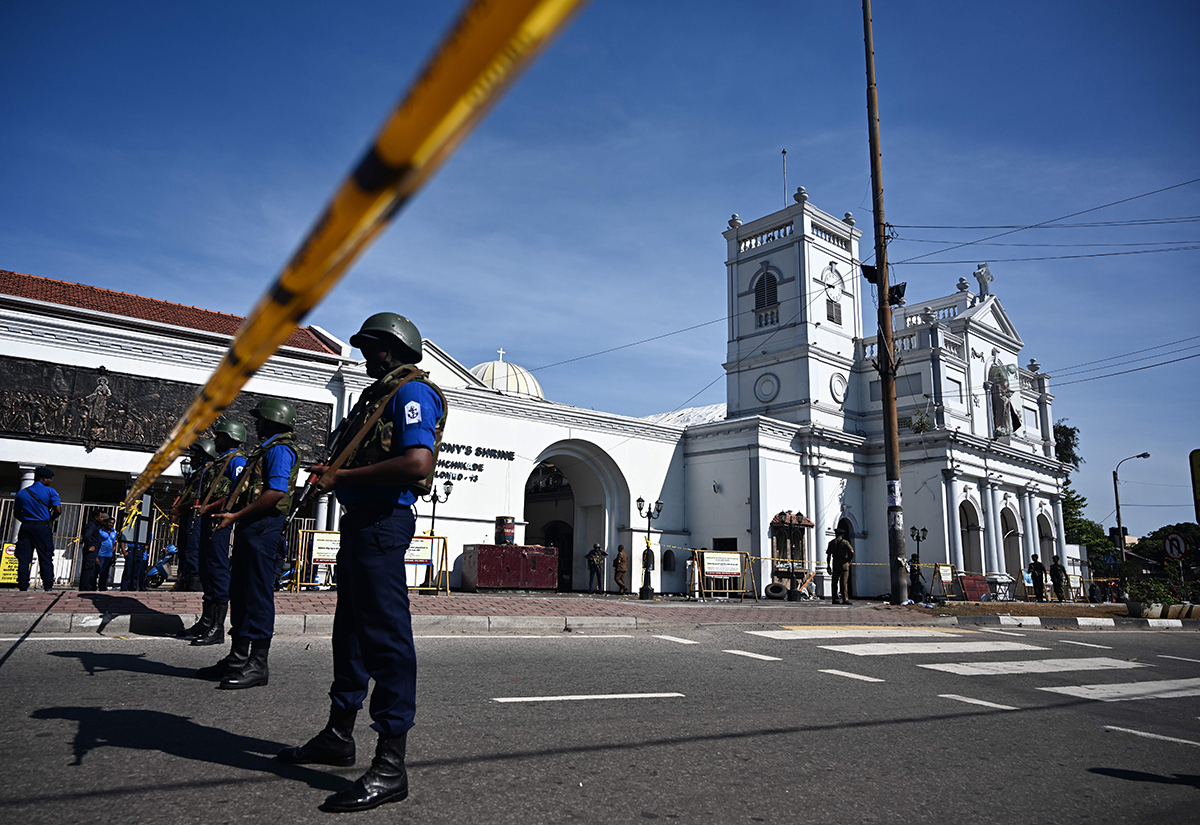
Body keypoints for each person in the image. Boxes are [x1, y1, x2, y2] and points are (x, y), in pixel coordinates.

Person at [277, 312, 446, 814]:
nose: (365, 357)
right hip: (362, 523)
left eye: (369, 348)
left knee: (386, 641)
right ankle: (337, 735)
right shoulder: (378, 397)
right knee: (348, 634)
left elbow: (418, 463)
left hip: (383, 524)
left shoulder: (411, 394)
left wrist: (342, 479)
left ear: (389, 349)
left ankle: (391, 765)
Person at [197, 398, 299, 690]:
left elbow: (276, 492)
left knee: (257, 596)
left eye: (260, 419)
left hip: (264, 528)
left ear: (274, 421)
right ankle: (237, 657)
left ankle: (258, 664)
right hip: (250, 526)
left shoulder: (280, 450)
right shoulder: (265, 449)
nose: (255, 424)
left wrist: (237, 515)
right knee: (239, 593)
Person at [186, 423, 248, 645]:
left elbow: (236, 492)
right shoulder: (218, 462)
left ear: (230, 437)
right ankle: (206, 620)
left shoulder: (237, 461)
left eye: (220, 436)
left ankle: (217, 627)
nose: (216, 440)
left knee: (218, 569)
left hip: (220, 520)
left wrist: (209, 508)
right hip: (207, 518)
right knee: (205, 569)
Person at [172, 438, 219, 592]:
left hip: (196, 517)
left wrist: (180, 508)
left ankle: (192, 584)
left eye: (196, 453)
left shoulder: (208, 472)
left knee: (193, 551)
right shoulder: (197, 474)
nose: (192, 457)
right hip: (188, 517)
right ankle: (185, 578)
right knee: (185, 549)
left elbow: (198, 498)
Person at [14, 467, 62, 591]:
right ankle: (48, 585)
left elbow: (16, 513)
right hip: (42, 527)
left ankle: (23, 585)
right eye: (49, 479)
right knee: (45, 556)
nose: (50, 481)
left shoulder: (22, 493)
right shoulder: (50, 491)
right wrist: (50, 519)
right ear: (43, 479)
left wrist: (26, 520)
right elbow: (58, 510)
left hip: (25, 526)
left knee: (24, 557)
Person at [78, 509, 107, 591]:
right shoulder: (91, 526)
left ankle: (89, 586)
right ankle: (85, 588)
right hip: (90, 551)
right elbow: (87, 536)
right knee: (88, 569)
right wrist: (90, 545)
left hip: (94, 552)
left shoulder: (95, 526)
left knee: (92, 569)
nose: (102, 519)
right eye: (101, 517)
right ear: (96, 517)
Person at [826, 527, 854, 605]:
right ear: (842, 535)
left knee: (834, 582)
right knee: (844, 582)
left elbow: (828, 555)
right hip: (844, 564)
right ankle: (845, 599)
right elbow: (852, 551)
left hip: (835, 563)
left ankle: (834, 598)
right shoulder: (845, 542)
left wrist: (828, 565)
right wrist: (850, 559)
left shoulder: (831, 543)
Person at [95, 517, 123, 590]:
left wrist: (113, 553)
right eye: (110, 522)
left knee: (105, 572)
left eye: (112, 523)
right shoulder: (100, 531)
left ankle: (102, 587)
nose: (111, 524)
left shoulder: (114, 533)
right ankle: (93, 586)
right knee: (97, 572)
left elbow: (114, 544)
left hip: (109, 555)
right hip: (100, 554)